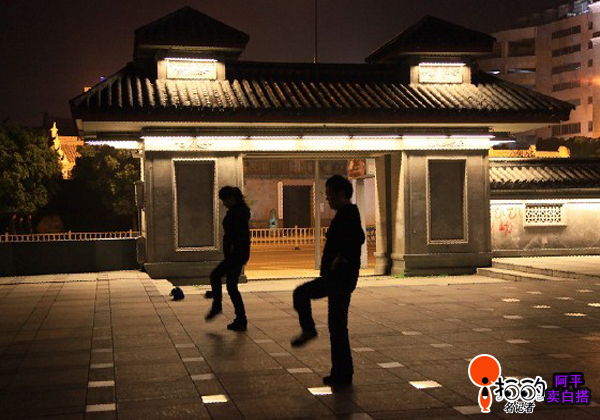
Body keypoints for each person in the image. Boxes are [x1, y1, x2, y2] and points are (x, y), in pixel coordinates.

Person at [290, 175, 365, 386]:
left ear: (341, 194)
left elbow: (358, 238)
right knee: (337, 326)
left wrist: (342, 257)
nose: (327, 198)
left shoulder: (348, 213)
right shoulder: (346, 213)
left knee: (302, 294)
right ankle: (342, 372)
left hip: (340, 278)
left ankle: (309, 331)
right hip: (339, 277)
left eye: (329, 194)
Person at [205, 186, 251, 331]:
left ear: (232, 198)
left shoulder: (238, 213)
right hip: (236, 253)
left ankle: (218, 306)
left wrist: (233, 249)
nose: (223, 203)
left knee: (216, 276)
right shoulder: (237, 211)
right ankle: (241, 319)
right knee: (231, 286)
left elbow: (239, 235)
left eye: (224, 200)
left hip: (237, 254)